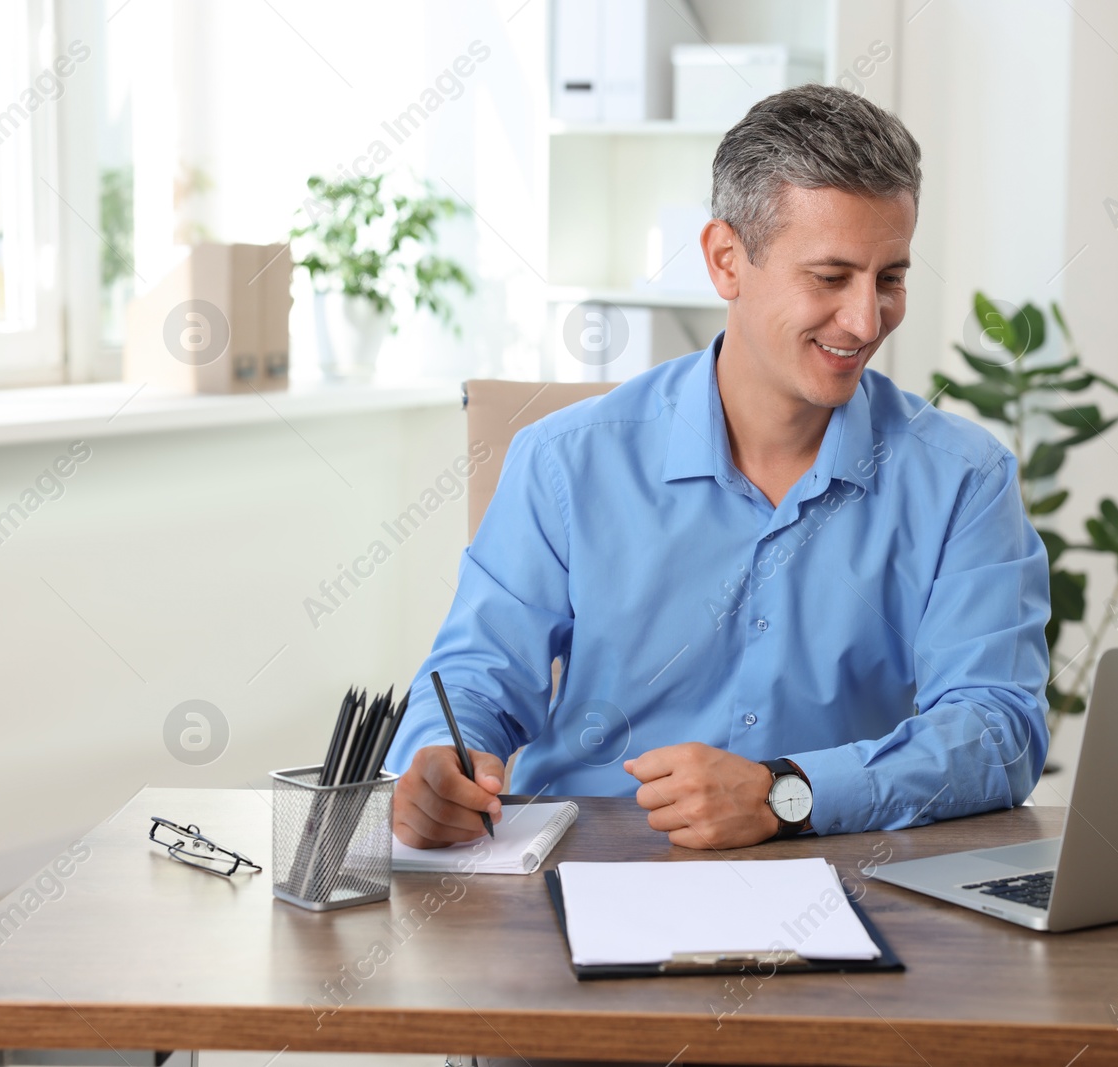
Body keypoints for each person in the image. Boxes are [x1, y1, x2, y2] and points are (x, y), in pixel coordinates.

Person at [386, 83, 1049, 852]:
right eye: (830, 278)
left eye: (889, 278)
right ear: (726, 260)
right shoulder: (563, 462)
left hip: (839, 877)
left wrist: (785, 794)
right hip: (588, 874)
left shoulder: (965, 479)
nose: (868, 321)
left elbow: (997, 730)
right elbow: (477, 678)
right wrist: (439, 759)